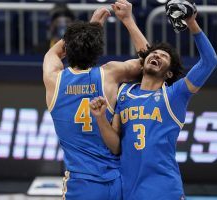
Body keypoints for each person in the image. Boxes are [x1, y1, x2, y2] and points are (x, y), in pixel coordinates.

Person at [90, 11, 217, 200]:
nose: (156, 55)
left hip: (164, 190)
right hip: (130, 190)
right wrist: (100, 118)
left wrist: (191, 22)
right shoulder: (124, 92)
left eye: (163, 57)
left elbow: (209, 62)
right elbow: (116, 147)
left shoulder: (174, 94)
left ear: (168, 74)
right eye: (154, 53)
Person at [43, 0, 148, 199]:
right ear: (98, 50)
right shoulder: (110, 73)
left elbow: (53, 52)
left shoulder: (54, 79)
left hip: (81, 184)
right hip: (117, 180)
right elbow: (150, 62)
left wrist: (91, 27)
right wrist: (128, 20)